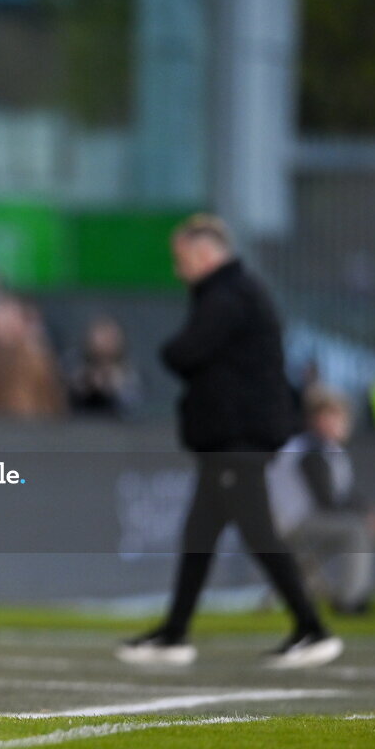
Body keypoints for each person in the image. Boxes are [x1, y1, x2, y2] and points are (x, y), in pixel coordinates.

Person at [116, 214, 342, 669]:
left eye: (182, 260)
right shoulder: (233, 292)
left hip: (239, 438)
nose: (179, 270)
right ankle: (174, 635)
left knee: (259, 533)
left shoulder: (230, 295)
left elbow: (182, 352)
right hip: (228, 439)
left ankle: (313, 629)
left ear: (205, 255)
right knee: (199, 535)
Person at [269, 387, 375, 615]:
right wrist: (367, 514)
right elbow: (327, 499)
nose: (339, 424)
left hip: (294, 524)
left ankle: (300, 578)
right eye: (333, 417)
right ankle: (350, 600)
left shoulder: (324, 449)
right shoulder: (311, 449)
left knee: (352, 528)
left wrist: (369, 509)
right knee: (357, 529)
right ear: (317, 419)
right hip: (289, 525)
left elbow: (341, 494)